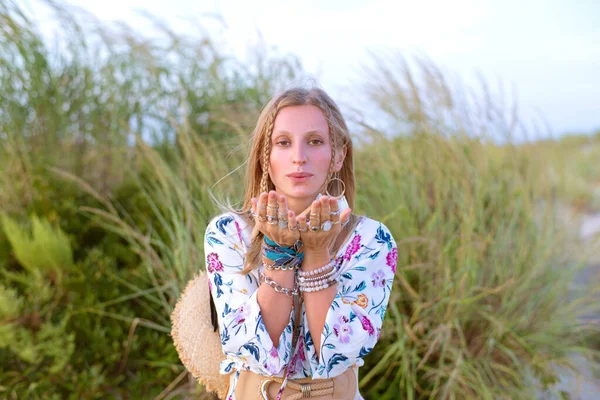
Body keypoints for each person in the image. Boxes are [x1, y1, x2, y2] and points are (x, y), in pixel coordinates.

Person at [204, 87, 398, 399]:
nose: (299, 157)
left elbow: (336, 353)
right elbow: (250, 347)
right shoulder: (228, 233)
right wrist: (279, 254)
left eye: (315, 141)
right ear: (265, 156)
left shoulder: (371, 240)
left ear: (339, 156)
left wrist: (317, 252)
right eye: (283, 142)